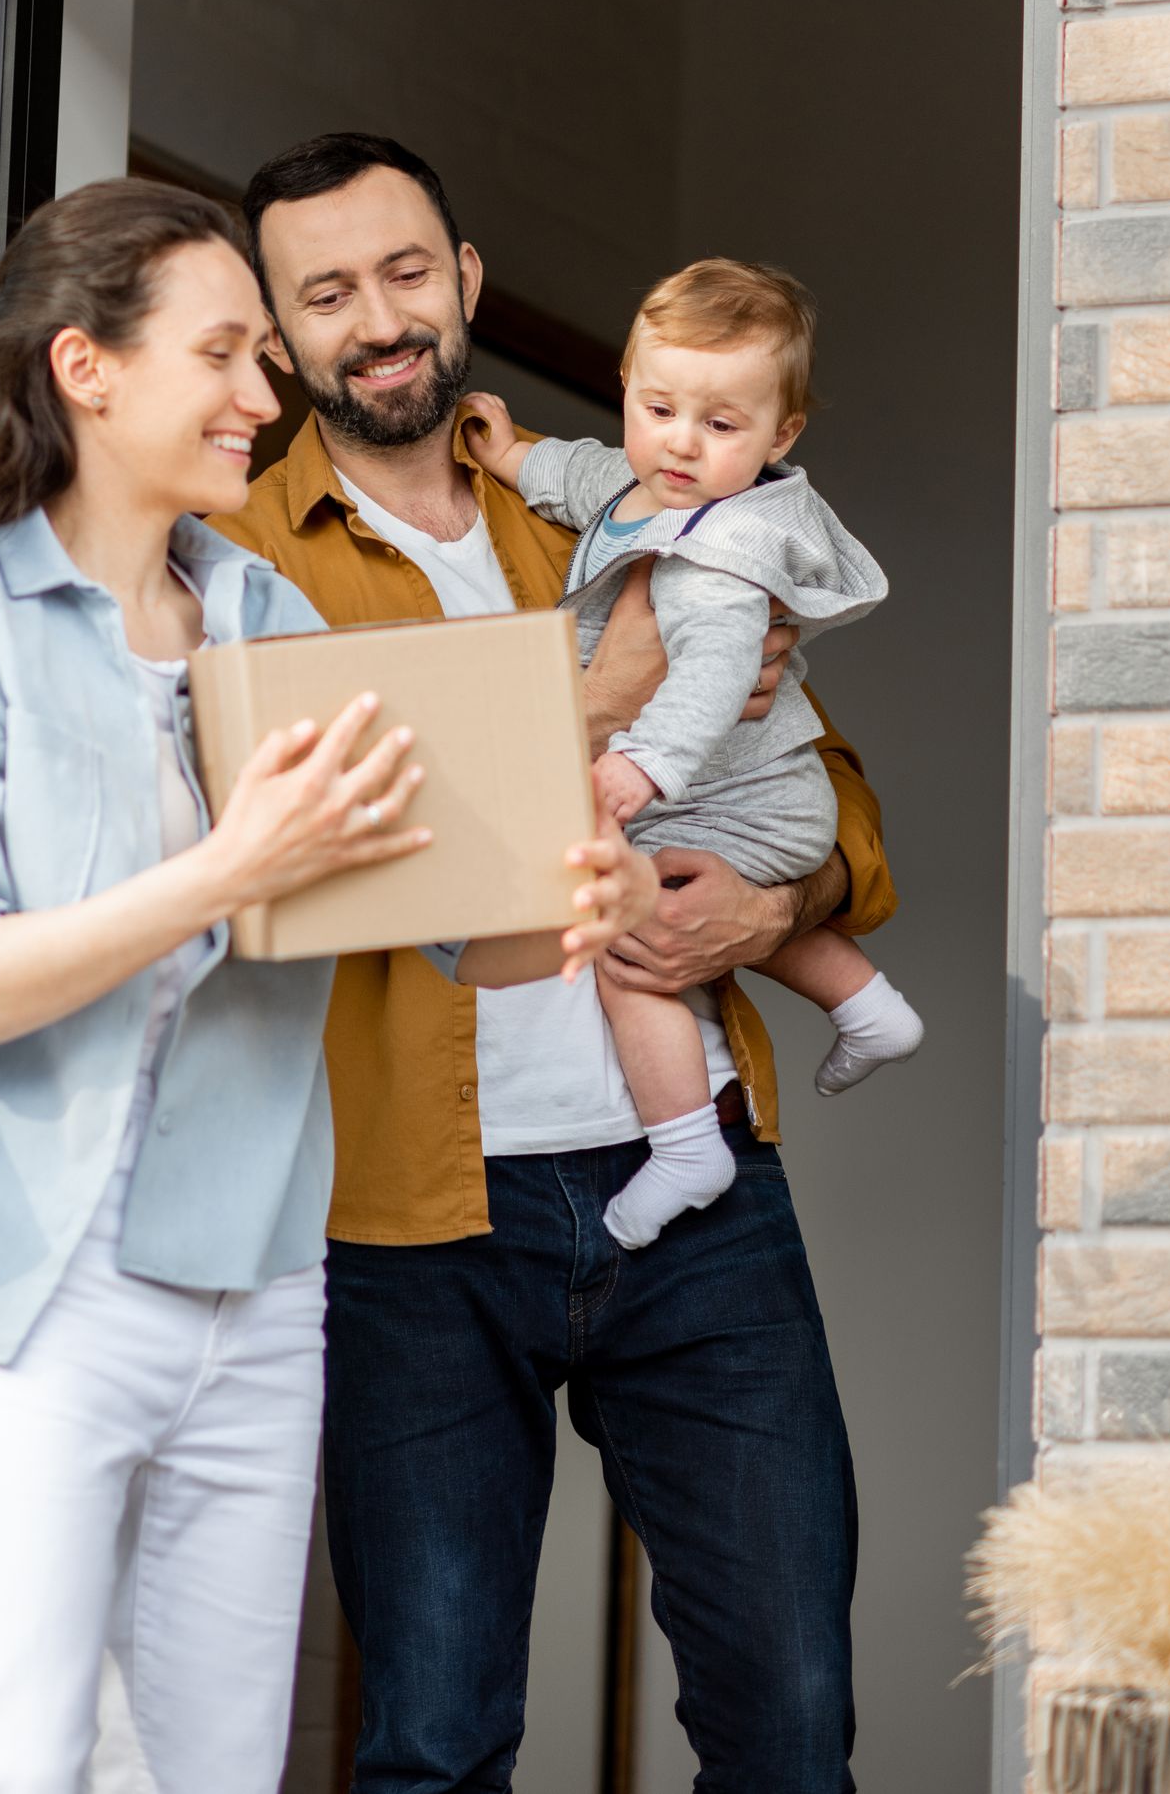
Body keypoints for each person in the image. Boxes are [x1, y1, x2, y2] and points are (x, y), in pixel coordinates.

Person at [0, 177, 653, 1794]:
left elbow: (450, 926)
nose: (268, 396)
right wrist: (226, 869)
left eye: (270, 355)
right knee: (8, 1760)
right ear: (84, 368)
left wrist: (569, 904)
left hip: (253, 1294)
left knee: (207, 1776)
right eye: (227, 354)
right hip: (26, 1293)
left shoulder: (270, 612)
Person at [217, 132, 899, 1794]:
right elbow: (303, 875)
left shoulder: (635, 502)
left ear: (461, 276)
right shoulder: (241, 563)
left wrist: (768, 902)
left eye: (402, 272)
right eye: (324, 294)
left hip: (702, 1192)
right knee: (436, 1740)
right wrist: (588, 707)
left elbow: (837, 815)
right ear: (280, 331)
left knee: (793, 1717)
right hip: (410, 1223)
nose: (375, 319)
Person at [466, 251, 923, 1255]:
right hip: (767, 800)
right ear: (628, 389)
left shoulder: (716, 555)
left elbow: (717, 672)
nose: (679, 445)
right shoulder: (646, 485)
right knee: (717, 898)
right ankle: (871, 1007)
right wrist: (510, 458)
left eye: (721, 427)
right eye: (659, 409)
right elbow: (589, 475)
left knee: (640, 953)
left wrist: (645, 765)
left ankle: (683, 1147)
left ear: (780, 435)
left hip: (738, 796)